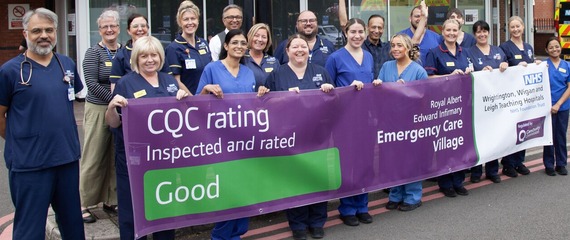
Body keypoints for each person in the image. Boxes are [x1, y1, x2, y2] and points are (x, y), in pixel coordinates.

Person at [0, 8, 85, 239]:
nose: (44, 35)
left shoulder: (65, 64)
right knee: (29, 228)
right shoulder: (9, 71)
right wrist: (21, 140)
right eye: (36, 30)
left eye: (49, 30)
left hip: (66, 159)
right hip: (30, 164)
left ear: (56, 32)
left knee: (73, 224)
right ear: (26, 33)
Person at [106, 36, 188, 240]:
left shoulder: (169, 81)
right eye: (144, 56)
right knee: (132, 215)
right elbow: (113, 123)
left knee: (164, 211)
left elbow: (182, 119)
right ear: (136, 59)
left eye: (154, 55)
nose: (150, 60)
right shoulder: (126, 83)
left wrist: (183, 101)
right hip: (134, 161)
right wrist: (111, 107)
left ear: (160, 57)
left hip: (163, 159)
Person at [257, 34, 334, 240]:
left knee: (318, 177)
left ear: (309, 50)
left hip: (318, 137)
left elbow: (333, 103)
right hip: (289, 138)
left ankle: (317, 222)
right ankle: (298, 224)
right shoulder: (277, 75)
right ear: (287, 51)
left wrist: (329, 91)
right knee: (295, 181)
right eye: (295, 47)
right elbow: (265, 106)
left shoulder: (321, 72)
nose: (300, 50)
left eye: (303, 46)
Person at [196, 29, 255, 240]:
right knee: (228, 189)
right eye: (235, 42)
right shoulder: (212, 69)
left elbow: (254, 104)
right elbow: (196, 103)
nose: (240, 46)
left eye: (243, 43)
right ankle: (220, 236)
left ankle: (237, 234)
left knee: (244, 188)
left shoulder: (248, 72)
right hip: (220, 140)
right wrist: (206, 90)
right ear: (226, 46)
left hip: (246, 140)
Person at [325, 18, 373, 227]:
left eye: (360, 32)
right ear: (345, 33)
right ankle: (347, 208)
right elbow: (328, 90)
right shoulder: (335, 58)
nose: (357, 36)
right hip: (344, 120)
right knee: (347, 164)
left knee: (365, 162)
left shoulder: (369, 56)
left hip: (366, 118)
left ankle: (362, 205)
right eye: (353, 31)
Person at [375, 34, 427, 211]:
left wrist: (407, 91)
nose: (395, 49)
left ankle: (412, 196)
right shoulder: (386, 66)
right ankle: (395, 194)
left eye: (399, 45)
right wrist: (377, 85)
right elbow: (379, 92)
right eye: (393, 45)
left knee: (410, 159)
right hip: (390, 121)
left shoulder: (418, 70)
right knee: (392, 159)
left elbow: (425, 97)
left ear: (408, 47)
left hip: (411, 122)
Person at [80, 9, 121, 224]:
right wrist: (113, 98)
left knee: (114, 157)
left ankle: (110, 199)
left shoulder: (123, 51)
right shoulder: (93, 52)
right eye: (105, 26)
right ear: (99, 30)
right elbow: (92, 84)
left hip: (119, 110)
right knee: (94, 156)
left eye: (112, 25)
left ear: (119, 28)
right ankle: (84, 203)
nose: (109, 29)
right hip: (98, 109)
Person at [424, 19, 472, 198]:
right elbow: (427, 79)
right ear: (442, 32)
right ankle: (445, 183)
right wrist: (448, 77)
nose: (451, 33)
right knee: (445, 145)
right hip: (443, 107)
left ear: (459, 31)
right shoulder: (434, 52)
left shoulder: (464, 52)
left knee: (459, 144)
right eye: (448, 30)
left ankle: (458, 181)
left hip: (463, 105)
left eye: (455, 30)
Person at [499, 16, 541, 178]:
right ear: (508, 29)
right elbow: (502, 69)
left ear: (523, 27)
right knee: (512, 130)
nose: (516, 30)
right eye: (512, 27)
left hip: (527, 97)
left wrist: (535, 64)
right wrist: (514, 67)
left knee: (525, 128)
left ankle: (519, 161)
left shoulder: (529, 47)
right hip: (512, 96)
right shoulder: (504, 47)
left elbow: (530, 65)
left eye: (518, 26)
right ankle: (508, 163)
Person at [466, 20, 508, 184]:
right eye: (478, 32)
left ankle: (492, 170)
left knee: (494, 136)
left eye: (484, 31)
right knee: (478, 137)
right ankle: (476, 171)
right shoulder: (469, 52)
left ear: (489, 33)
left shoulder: (498, 51)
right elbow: (468, 73)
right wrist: (480, 72)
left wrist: (506, 65)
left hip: (496, 102)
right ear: (474, 34)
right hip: (477, 103)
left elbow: (509, 72)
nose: (482, 34)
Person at [109, 13, 180, 92]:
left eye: (143, 26)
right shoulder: (121, 56)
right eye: (135, 26)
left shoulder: (158, 51)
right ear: (128, 31)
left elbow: (169, 81)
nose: (140, 29)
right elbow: (115, 87)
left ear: (148, 28)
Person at [166, 0, 212, 95]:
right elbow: (175, 80)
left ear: (198, 21)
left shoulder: (203, 43)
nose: (190, 22)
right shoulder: (174, 48)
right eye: (186, 19)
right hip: (188, 103)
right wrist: (194, 101)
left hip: (207, 100)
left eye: (193, 18)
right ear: (179, 22)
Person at [543, 37, 570, 176]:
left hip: (563, 107)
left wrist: (559, 104)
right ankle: (548, 165)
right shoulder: (543, 65)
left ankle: (561, 164)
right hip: (547, 108)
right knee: (548, 136)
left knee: (560, 135)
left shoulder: (567, 65)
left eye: (557, 46)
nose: (555, 49)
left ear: (561, 47)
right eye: (551, 47)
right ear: (546, 50)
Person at [244, 23, 280, 90]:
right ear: (250, 37)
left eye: (264, 37)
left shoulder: (274, 62)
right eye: (256, 36)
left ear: (268, 40)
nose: (260, 39)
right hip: (247, 99)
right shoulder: (241, 59)